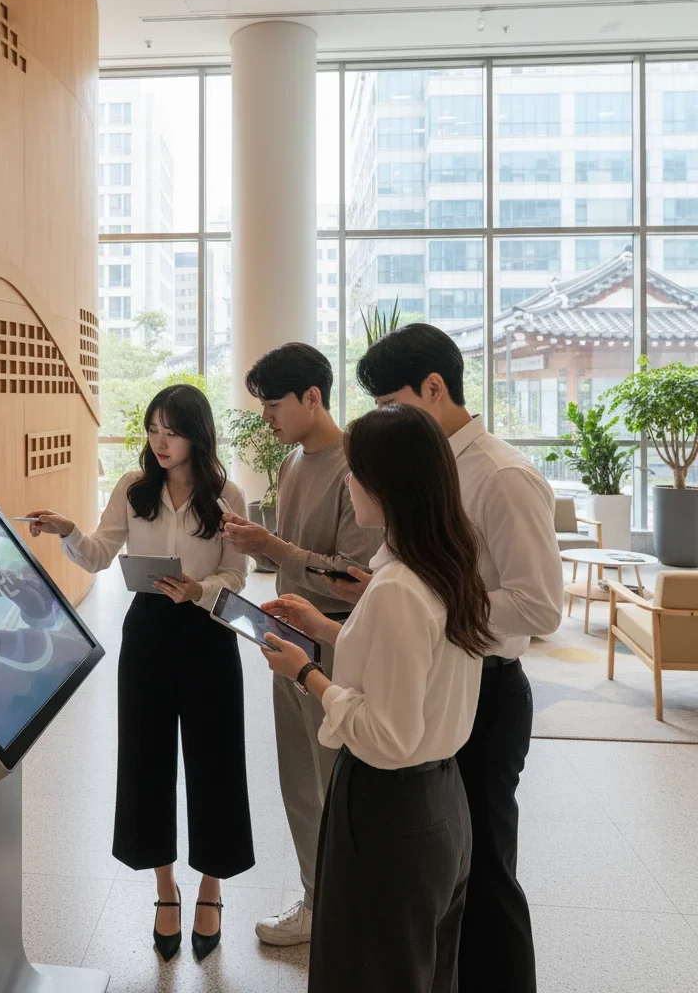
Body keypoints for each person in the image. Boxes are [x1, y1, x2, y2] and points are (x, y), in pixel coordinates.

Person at [338, 322, 564, 993]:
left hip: (487, 689)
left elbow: (541, 605)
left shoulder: (501, 474)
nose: (386, 421)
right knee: (444, 878)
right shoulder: (428, 464)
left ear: (435, 388)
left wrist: (432, 605)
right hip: (436, 679)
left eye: (391, 405)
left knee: (487, 874)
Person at [259, 403, 489, 992]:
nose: (345, 478)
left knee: (369, 971)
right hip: (442, 801)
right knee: (426, 970)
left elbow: (386, 735)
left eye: (355, 470)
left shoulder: (397, 589)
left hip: (391, 812)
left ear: (386, 486)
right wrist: (329, 628)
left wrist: (306, 671)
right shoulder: (447, 565)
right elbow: (411, 667)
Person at [28, 384, 254, 963]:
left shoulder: (228, 494)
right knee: (146, 759)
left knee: (216, 762)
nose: (159, 442)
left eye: (171, 431)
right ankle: (164, 888)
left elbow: (237, 574)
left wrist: (200, 588)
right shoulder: (134, 489)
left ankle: (211, 887)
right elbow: (102, 552)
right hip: (149, 631)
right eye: (153, 430)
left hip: (207, 631)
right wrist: (68, 533)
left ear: (196, 435)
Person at [220, 343, 382, 946]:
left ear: (313, 397)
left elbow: (353, 573)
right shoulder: (292, 464)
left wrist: (274, 547)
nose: (266, 417)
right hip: (284, 634)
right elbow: (292, 559)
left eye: (274, 404)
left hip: (336, 637)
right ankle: (318, 900)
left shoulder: (355, 466)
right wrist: (258, 545)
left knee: (333, 778)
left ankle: (343, 906)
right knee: (297, 778)